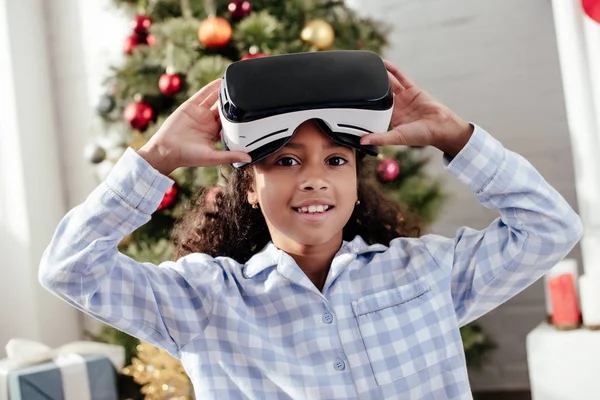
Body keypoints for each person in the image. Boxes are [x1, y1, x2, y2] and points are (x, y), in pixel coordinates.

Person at [39, 59, 582, 399]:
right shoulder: (205, 300)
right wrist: (155, 157)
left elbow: (550, 227)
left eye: (336, 161)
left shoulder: (427, 273)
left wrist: (457, 137)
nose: (315, 180)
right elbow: (70, 268)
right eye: (287, 161)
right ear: (249, 185)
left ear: (356, 180)